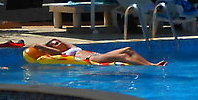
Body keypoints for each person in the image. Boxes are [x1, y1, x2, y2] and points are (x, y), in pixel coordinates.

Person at [30, 38, 166, 67]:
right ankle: (152, 66)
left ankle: (150, 63)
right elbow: (47, 49)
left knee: (128, 49)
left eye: (58, 42)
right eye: (55, 44)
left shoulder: (71, 48)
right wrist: (42, 46)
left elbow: (63, 42)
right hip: (92, 58)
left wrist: (58, 41)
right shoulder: (63, 55)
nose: (58, 44)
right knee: (124, 56)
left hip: (98, 55)